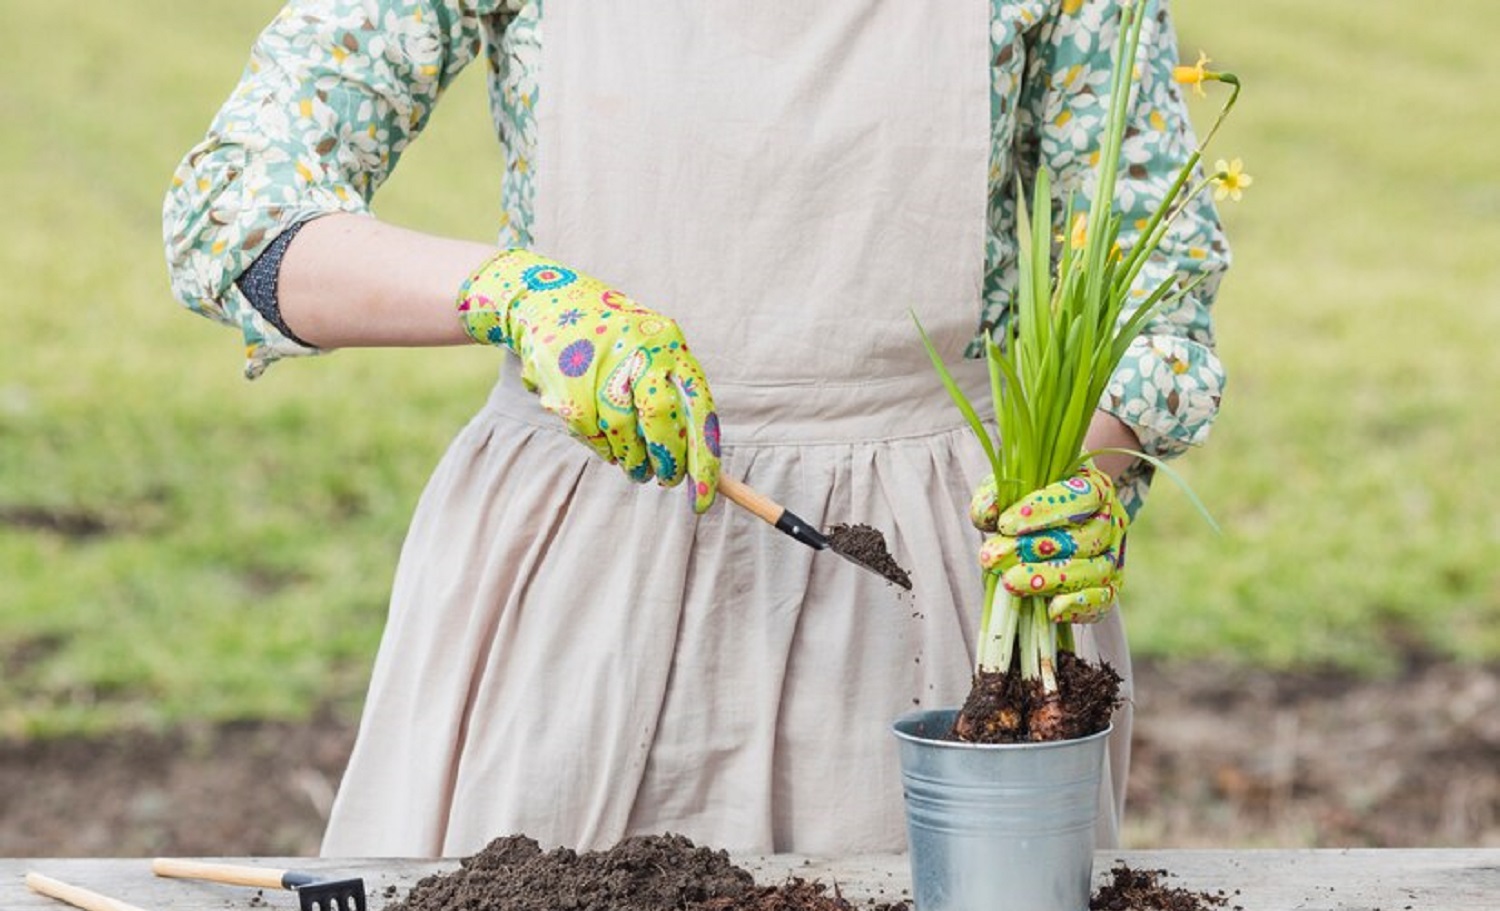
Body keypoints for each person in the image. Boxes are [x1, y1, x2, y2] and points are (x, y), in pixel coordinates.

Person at [164, 0, 1228, 858]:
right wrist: (515, 293)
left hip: (934, 607)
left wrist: (1082, 468)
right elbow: (238, 219)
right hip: (572, 589)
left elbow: (1157, 298)